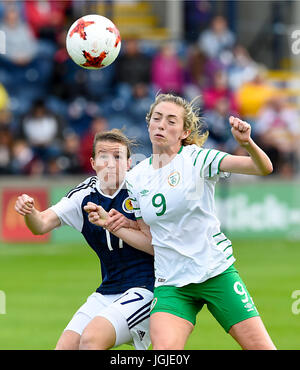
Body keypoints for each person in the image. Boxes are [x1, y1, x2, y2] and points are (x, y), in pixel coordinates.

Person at [85, 94, 276, 350]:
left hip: (215, 272)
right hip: (172, 284)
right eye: (157, 118)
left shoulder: (198, 160)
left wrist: (248, 143)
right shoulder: (135, 178)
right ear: (148, 124)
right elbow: (152, 241)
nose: (162, 125)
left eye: (171, 121)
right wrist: (112, 224)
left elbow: (262, 168)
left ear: (184, 131)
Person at [14, 129, 154, 350]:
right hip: (108, 289)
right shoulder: (84, 195)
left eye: (117, 157)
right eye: (103, 156)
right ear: (93, 162)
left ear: (129, 163)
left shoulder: (142, 190)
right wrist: (29, 211)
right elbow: (40, 225)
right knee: (66, 347)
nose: (110, 163)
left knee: (91, 340)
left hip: (147, 288)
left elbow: (160, 246)